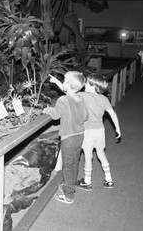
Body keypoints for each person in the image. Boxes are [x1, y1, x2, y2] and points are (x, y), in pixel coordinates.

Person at [43, 71, 88, 204]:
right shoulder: (80, 98)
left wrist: (47, 110)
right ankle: (70, 185)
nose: (62, 82)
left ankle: (69, 195)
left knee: (67, 166)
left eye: (64, 80)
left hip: (68, 137)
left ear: (67, 84)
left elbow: (56, 115)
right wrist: (56, 82)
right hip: (79, 135)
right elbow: (85, 117)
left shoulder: (63, 100)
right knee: (74, 162)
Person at [76, 73, 121, 191]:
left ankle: (87, 181)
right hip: (100, 130)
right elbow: (112, 114)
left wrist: (58, 83)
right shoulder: (104, 99)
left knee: (88, 155)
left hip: (88, 131)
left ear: (92, 86)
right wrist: (117, 128)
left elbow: (69, 93)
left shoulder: (83, 95)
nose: (84, 84)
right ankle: (109, 179)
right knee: (101, 153)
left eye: (86, 82)